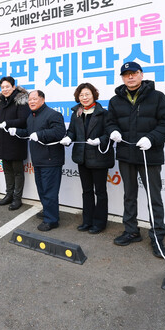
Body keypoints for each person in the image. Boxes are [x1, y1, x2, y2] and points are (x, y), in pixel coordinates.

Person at [106, 61, 165, 258]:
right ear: (122, 78)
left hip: (149, 156)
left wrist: (151, 138)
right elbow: (109, 122)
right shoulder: (115, 100)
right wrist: (113, 131)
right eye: (126, 74)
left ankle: (157, 238)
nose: (130, 77)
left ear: (141, 74)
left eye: (134, 73)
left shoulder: (157, 97)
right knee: (129, 195)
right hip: (126, 155)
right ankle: (131, 231)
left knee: (154, 198)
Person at [61, 83, 114, 234]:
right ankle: (87, 221)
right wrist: (68, 138)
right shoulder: (76, 113)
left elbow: (109, 133)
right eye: (81, 95)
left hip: (99, 158)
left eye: (87, 94)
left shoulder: (103, 113)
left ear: (94, 95)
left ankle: (100, 223)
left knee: (100, 192)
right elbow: (72, 131)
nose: (84, 98)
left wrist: (100, 140)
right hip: (82, 158)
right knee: (87, 191)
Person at [10, 90, 65, 231]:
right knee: (42, 189)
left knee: (49, 191)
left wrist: (40, 134)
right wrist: (16, 131)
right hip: (38, 160)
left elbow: (59, 132)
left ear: (42, 99)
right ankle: (48, 211)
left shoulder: (53, 114)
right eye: (30, 99)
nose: (31, 102)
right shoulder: (31, 116)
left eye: (35, 99)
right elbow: (29, 134)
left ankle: (51, 220)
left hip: (51, 160)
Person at [0, 76, 30, 207]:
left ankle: (17, 198)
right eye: (2, 87)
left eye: (7, 86)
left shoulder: (21, 101)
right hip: (3, 142)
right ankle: (9, 195)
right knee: (7, 171)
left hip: (16, 142)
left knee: (18, 172)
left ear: (13, 87)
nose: (5, 89)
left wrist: (7, 123)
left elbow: (24, 120)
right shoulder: (1, 103)